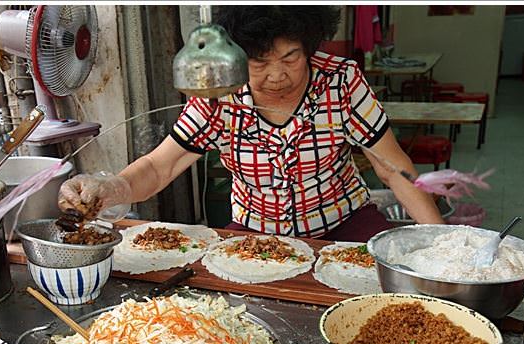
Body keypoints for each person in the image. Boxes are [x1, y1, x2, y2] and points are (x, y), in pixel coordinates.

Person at [59, 6, 443, 241]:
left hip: (345, 223)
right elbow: (159, 167)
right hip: (257, 232)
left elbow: (393, 169)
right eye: (259, 63)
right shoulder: (219, 94)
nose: (277, 75)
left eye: (292, 58)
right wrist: (109, 188)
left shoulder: (341, 81)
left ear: (310, 48)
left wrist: (444, 240)